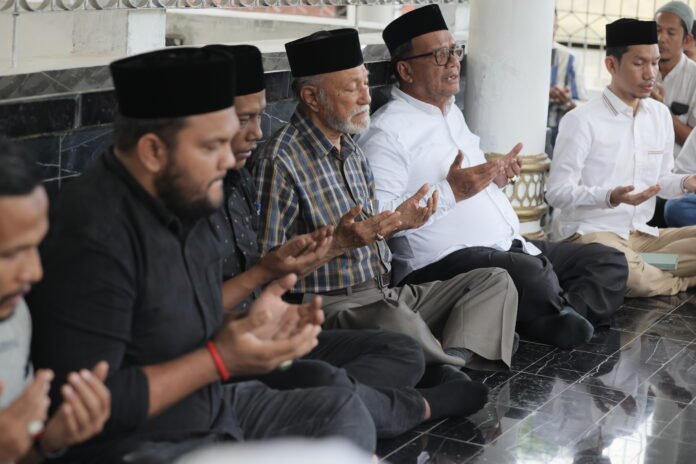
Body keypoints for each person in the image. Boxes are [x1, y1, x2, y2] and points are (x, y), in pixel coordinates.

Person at [27, 48, 378, 463]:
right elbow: (94, 404)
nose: (229, 159)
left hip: (213, 412)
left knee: (341, 411)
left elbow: (171, 319)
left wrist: (253, 321)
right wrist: (219, 359)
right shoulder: (94, 236)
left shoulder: (186, 198)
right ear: (153, 151)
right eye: (212, 145)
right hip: (144, 446)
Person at [205, 43, 474, 437]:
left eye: (259, 116)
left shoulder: (242, 180)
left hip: (281, 322)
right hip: (267, 332)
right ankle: (412, 403)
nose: (258, 132)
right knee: (339, 376)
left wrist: (396, 224)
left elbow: (263, 274)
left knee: (404, 345)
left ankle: (427, 372)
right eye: (244, 119)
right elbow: (189, 319)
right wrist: (328, 252)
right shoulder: (275, 161)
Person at [254, 28, 515, 404]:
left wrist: (405, 221)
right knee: (394, 320)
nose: (365, 98)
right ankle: (442, 363)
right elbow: (270, 274)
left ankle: (447, 362)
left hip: (385, 293)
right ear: (311, 96)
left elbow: (375, 232)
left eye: (365, 83)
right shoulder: (280, 162)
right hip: (329, 304)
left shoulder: (354, 152)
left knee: (495, 280)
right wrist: (339, 245)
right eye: (351, 89)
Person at [357, 5, 627, 339]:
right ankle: (550, 313)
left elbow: (471, 188)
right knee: (529, 273)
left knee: (608, 262)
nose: (454, 62)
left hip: (507, 246)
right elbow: (381, 223)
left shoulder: (451, 114)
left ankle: (552, 313)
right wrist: (452, 191)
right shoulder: (387, 134)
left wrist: (496, 180)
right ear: (406, 71)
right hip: (438, 264)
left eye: (454, 51)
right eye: (439, 55)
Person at [548, 18, 696, 298]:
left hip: (641, 235)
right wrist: (610, 196)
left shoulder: (659, 116)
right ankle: (679, 280)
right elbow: (556, 193)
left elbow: (660, 181)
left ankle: (646, 269)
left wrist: (687, 182)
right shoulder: (581, 120)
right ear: (611, 65)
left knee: (623, 267)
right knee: (621, 268)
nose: (650, 73)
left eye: (654, 63)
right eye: (639, 63)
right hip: (591, 234)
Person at [0, 139, 110, 463]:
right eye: (9, 254)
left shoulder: (15, 314)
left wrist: (49, 442)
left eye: (35, 247)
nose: (34, 273)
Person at [652, 1, 696, 156]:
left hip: (679, 174)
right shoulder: (637, 70)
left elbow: (693, 142)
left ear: (687, 40)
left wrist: (660, 110)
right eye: (657, 30)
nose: (661, 38)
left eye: (671, 33)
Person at [548, 8, 587, 150]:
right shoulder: (517, 57)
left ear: (556, 27)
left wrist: (566, 102)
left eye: (550, 25)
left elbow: (582, 106)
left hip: (558, 137)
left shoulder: (570, 59)